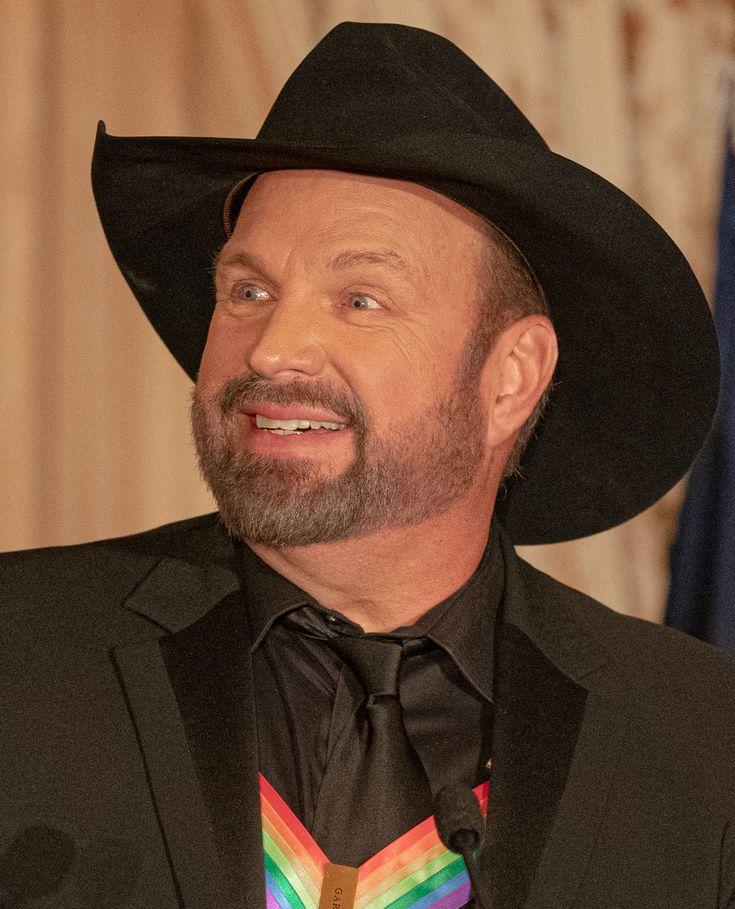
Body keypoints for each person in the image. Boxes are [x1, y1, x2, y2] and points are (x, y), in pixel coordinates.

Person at [2, 20, 734, 909]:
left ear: (510, 377)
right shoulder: (21, 650)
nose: (270, 349)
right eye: (248, 290)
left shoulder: (703, 742)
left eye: (360, 298)